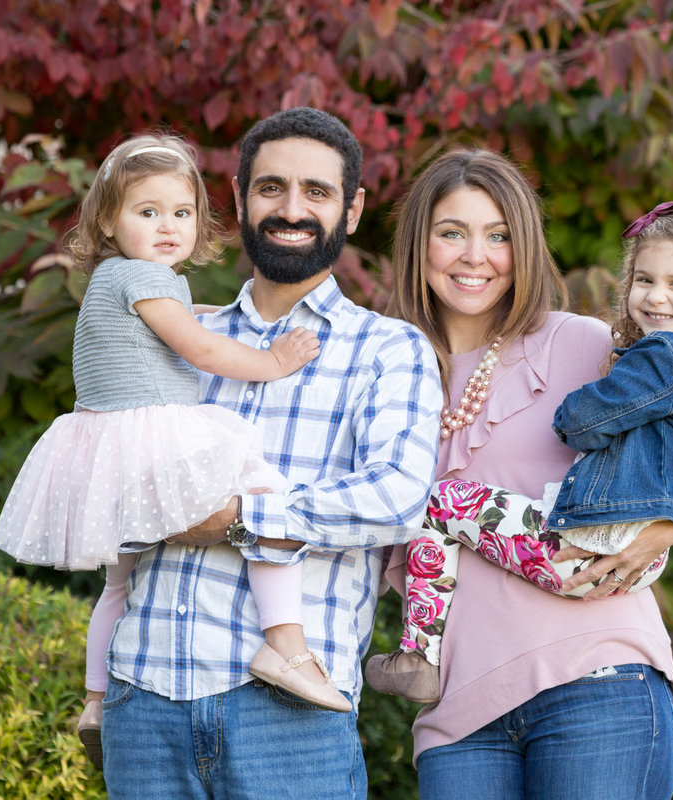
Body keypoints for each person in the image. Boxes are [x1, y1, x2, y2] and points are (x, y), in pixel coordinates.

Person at [368, 148, 673, 799]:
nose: (475, 255)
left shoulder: (582, 344)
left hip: (596, 682)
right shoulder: (379, 370)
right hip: (456, 717)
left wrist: (672, 528)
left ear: (523, 246)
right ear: (419, 244)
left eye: (498, 235)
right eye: (452, 232)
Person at [99, 108, 442, 799]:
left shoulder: (389, 350)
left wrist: (234, 518)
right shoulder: (176, 335)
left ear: (352, 208)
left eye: (316, 192)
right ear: (237, 198)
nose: (292, 209)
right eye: (271, 188)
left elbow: (396, 499)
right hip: (143, 696)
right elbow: (107, 479)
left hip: (287, 716)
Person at [0, 131, 350, 772]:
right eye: (147, 212)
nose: (167, 226)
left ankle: (96, 699)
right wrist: (273, 359)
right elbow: (203, 350)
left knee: (119, 585)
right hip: (150, 435)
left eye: (181, 213)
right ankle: (286, 646)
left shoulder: (124, 281)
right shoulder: (140, 279)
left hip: (107, 444)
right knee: (263, 494)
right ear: (108, 219)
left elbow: (178, 319)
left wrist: (206, 311)